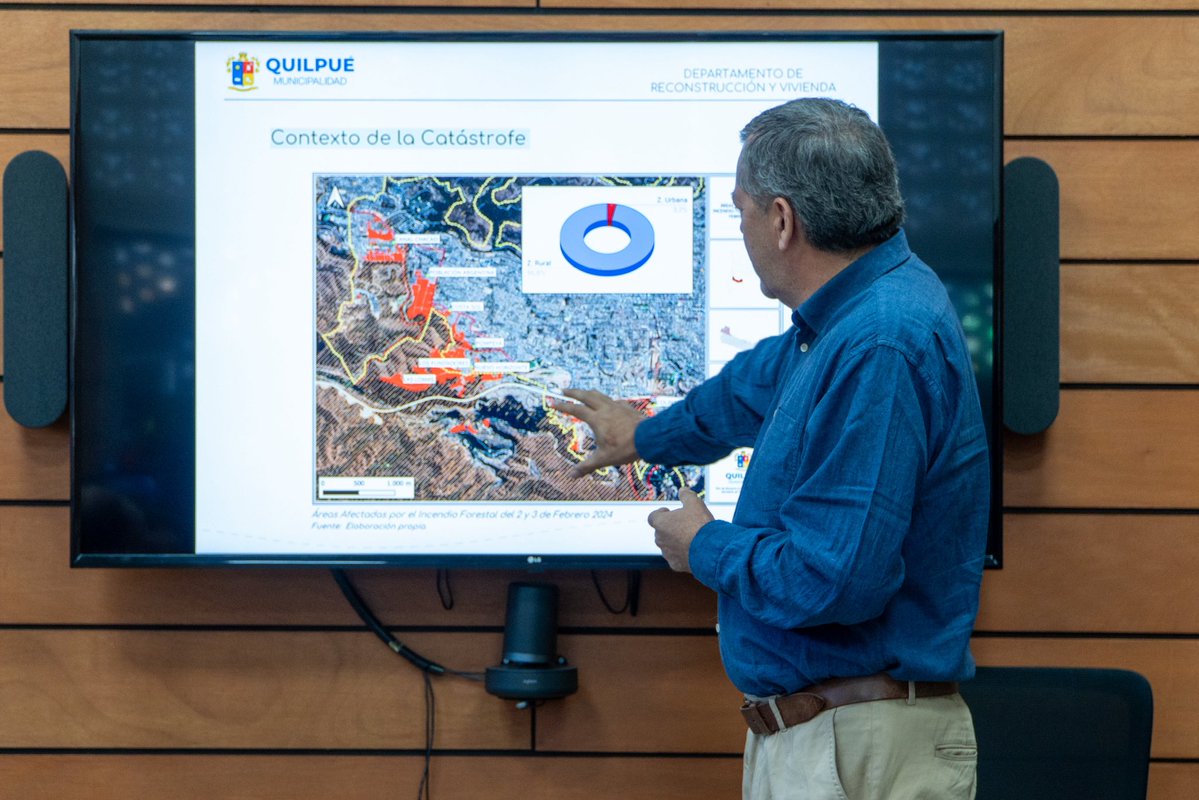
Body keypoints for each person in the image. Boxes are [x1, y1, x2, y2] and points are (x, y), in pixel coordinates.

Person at [554, 98, 990, 799]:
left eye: (740, 210)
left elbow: (835, 580)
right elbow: (750, 389)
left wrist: (703, 547)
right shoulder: (855, 312)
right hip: (836, 739)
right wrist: (641, 436)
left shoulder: (880, 340)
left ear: (782, 220)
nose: (742, 227)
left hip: (857, 751)